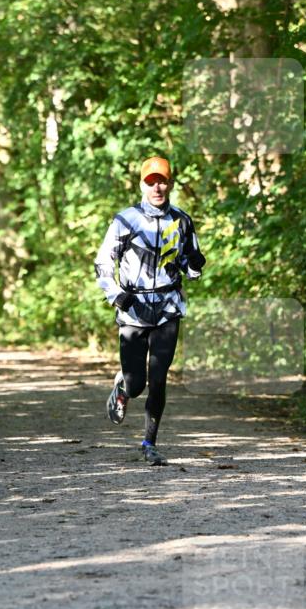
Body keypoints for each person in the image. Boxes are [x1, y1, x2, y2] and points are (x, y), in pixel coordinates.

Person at [95, 155, 205, 465]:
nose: (157, 186)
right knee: (137, 383)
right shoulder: (125, 220)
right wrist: (117, 295)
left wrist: (195, 265)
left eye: (162, 181)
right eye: (151, 181)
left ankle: (149, 442)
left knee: (159, 377)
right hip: (133, 309)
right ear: (142, 185)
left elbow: (189, 264)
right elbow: (103, 262)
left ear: (170, 183)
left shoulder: (182, 220)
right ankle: (123, 385)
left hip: (168, 307)